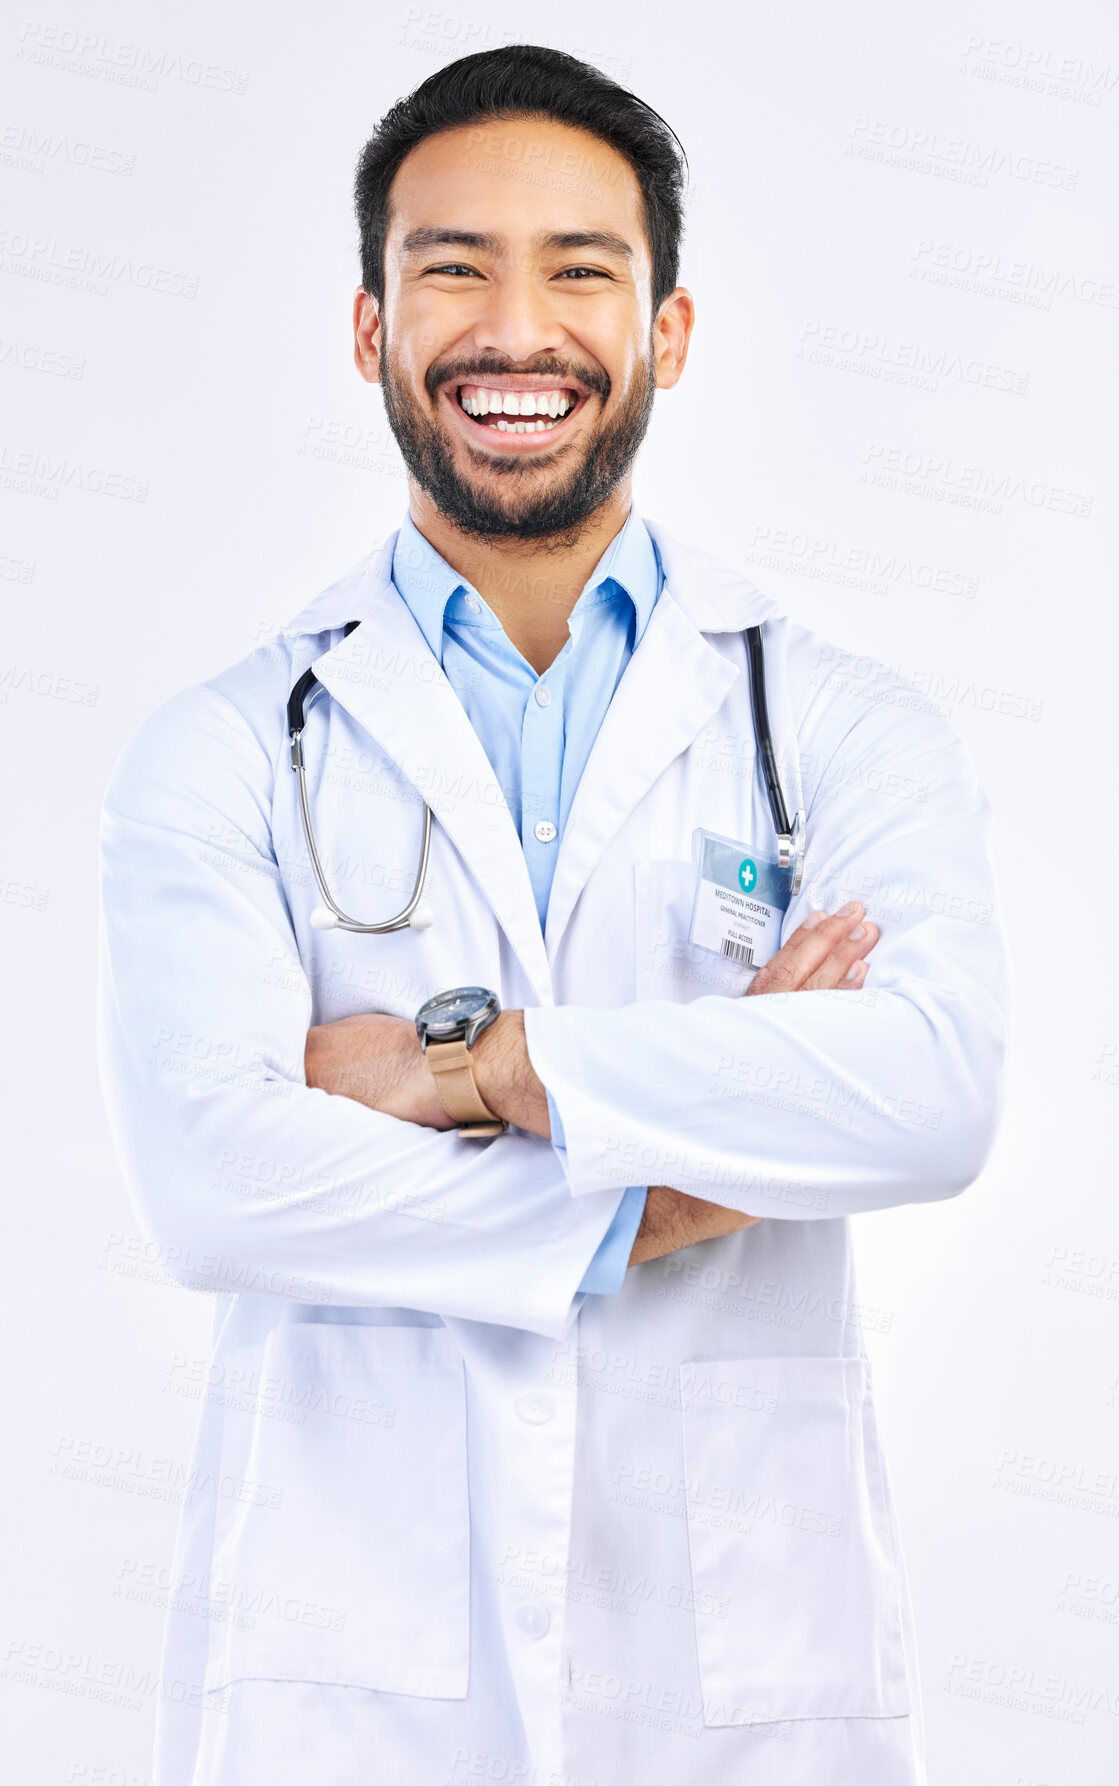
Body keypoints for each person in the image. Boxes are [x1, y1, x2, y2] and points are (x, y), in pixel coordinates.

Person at [97, 43, 1007, 1786]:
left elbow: (934, 1089)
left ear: (666, 333)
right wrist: (705, 1150)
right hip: (348, 1681)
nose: (518, 331)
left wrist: (475, 1066)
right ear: (369, 329)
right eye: (454, 267)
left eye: (580, 269)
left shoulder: (833, 723)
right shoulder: (227, 746)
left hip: (737, 1668)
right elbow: (218, 1177)